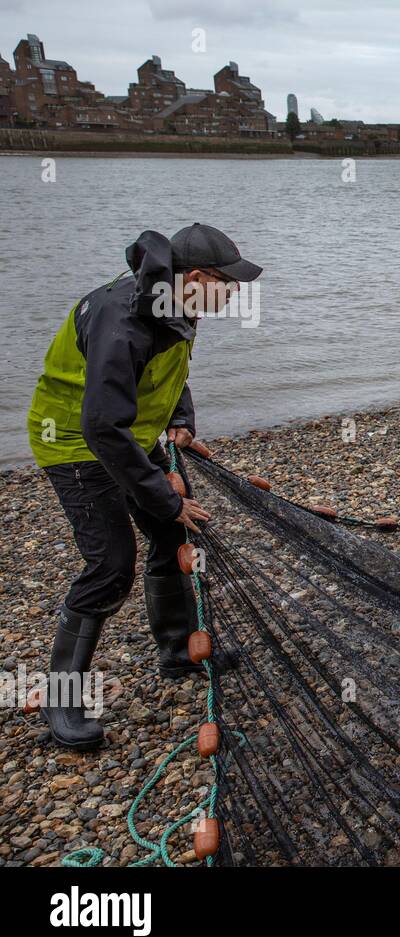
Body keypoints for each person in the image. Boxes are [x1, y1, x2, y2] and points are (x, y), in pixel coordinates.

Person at [26, 224, 262, 751]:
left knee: (174, 538)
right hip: (75, 442)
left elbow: (169, 370)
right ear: (197, 277)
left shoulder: (176, 300)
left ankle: (177, 652)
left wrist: (181, 417)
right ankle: (61, 701)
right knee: (110, 566)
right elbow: (100, 426)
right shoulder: (125, 318)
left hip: (125, 434)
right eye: (231, 283)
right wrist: (165, 495)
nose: (237, 293)